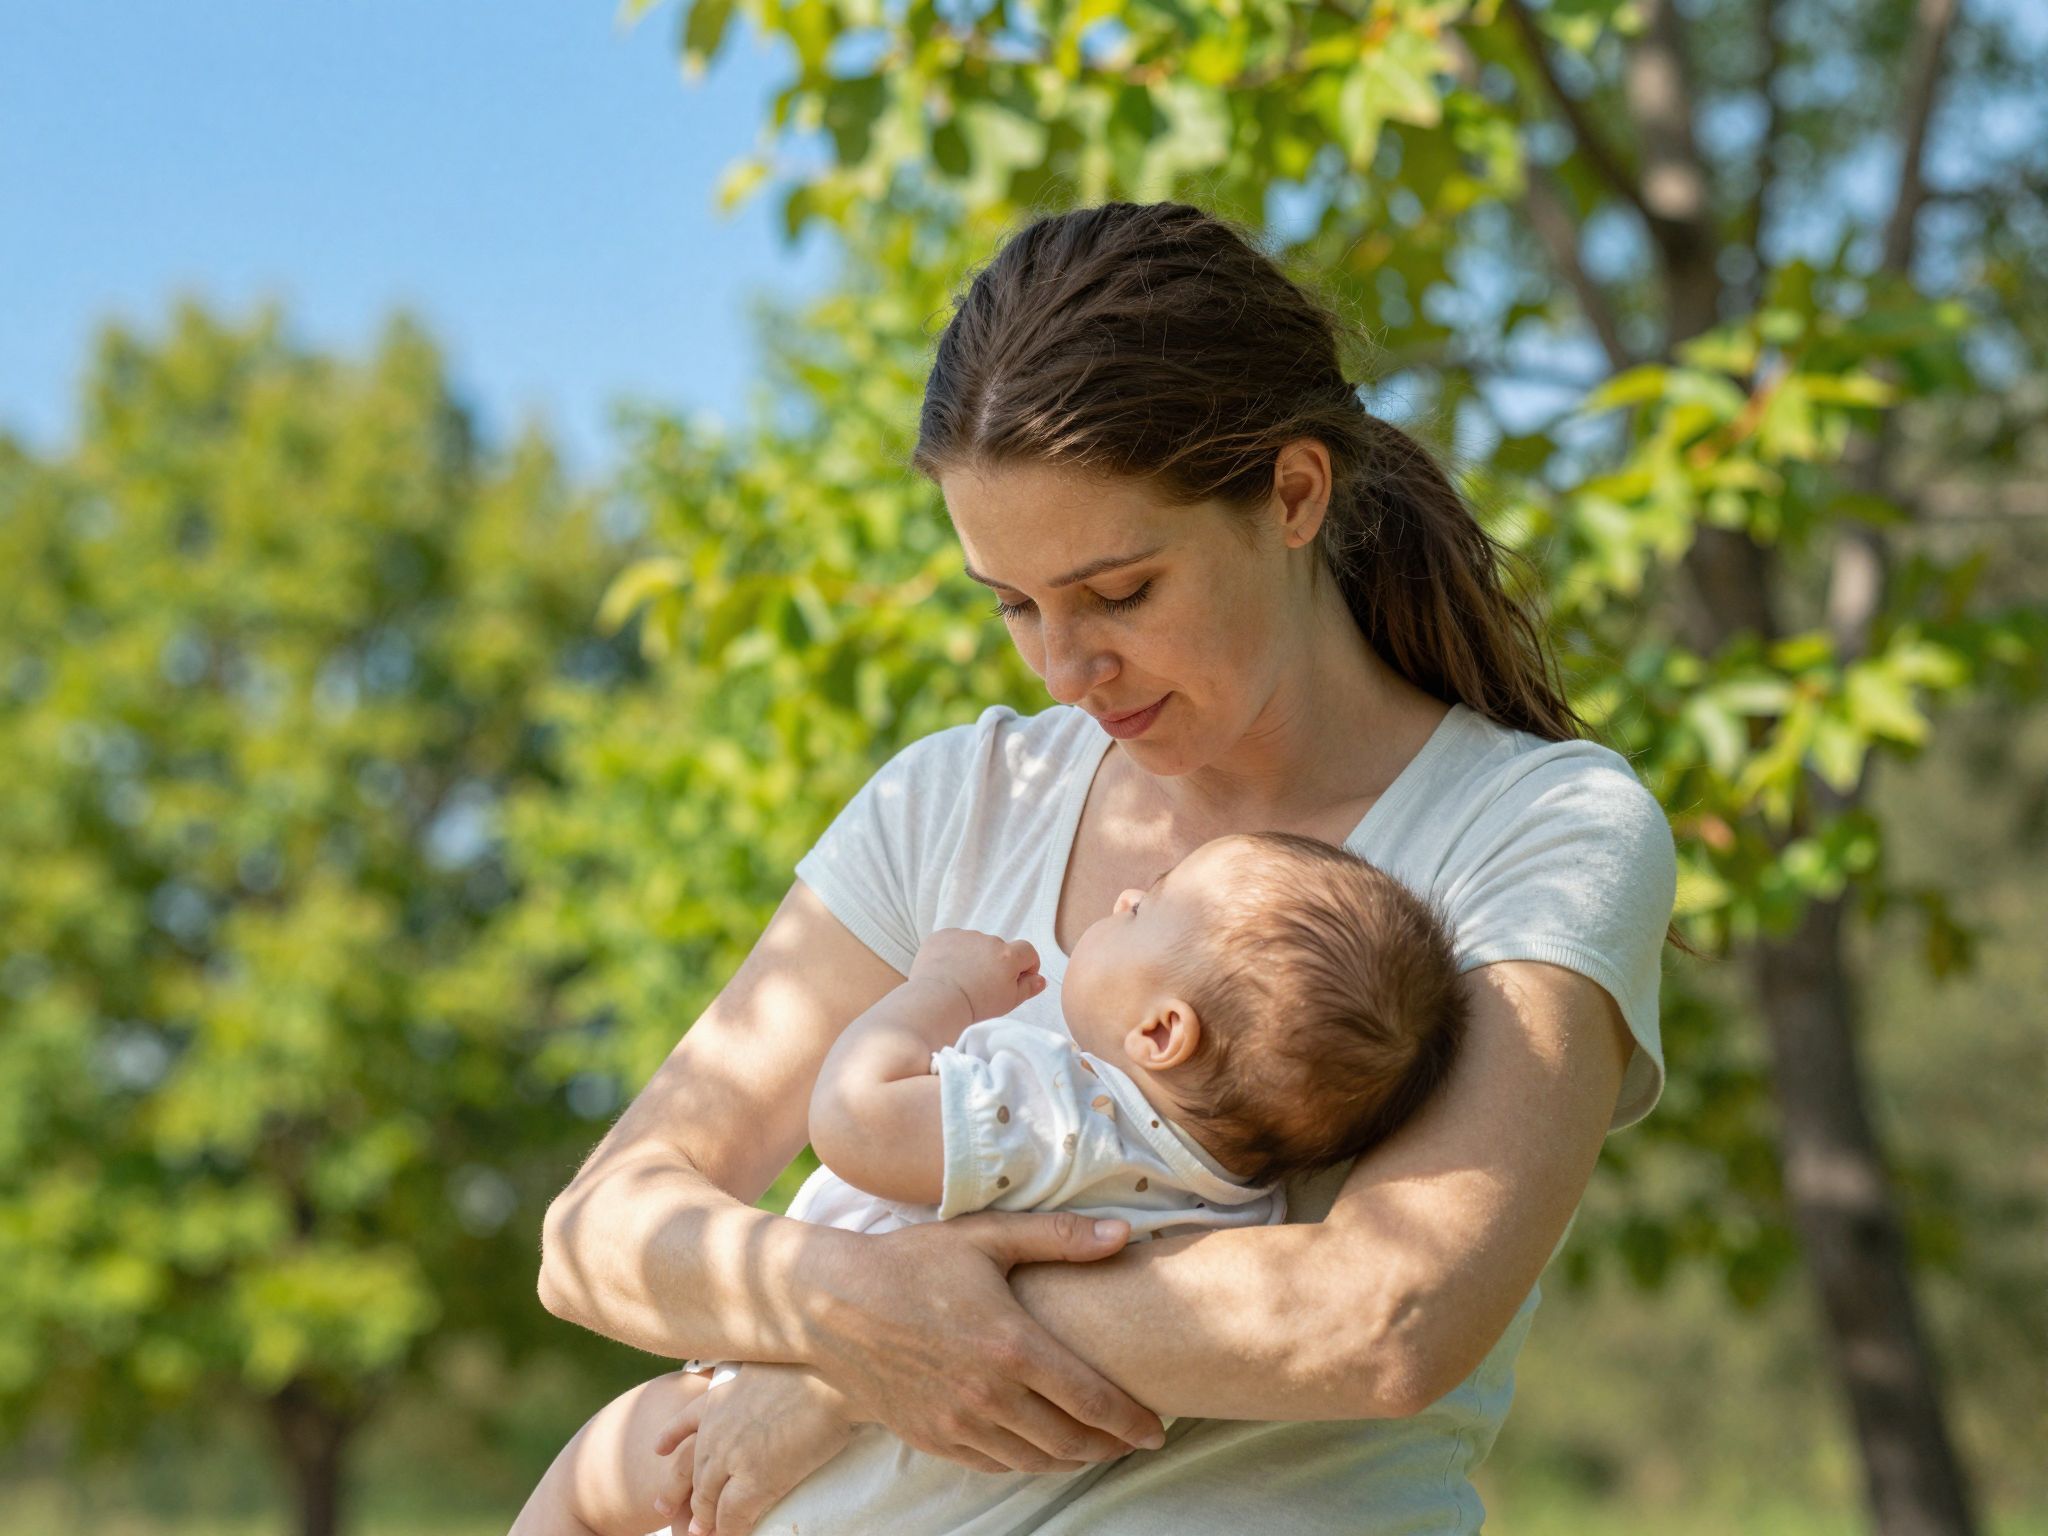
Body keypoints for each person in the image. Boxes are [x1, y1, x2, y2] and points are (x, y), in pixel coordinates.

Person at [532, 199, 1680, 1536]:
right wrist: (842, 1309)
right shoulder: (957, 802)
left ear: (1293, 494)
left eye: (1119, 593)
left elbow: (1385, 1314)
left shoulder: (1538, 828)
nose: (1063, 670)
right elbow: (598, 1233)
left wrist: (861, 1370)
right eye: (1014, 606)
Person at [513, 831, 1471, 1535]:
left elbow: (855, 1121)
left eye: (1148, 909)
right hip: (926, 1491)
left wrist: (942, 993)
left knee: (595, 1474)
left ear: (1160, 1033)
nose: (1125, 897)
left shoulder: (1058, 1109)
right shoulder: (1242, 1216)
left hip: (785, 1426)